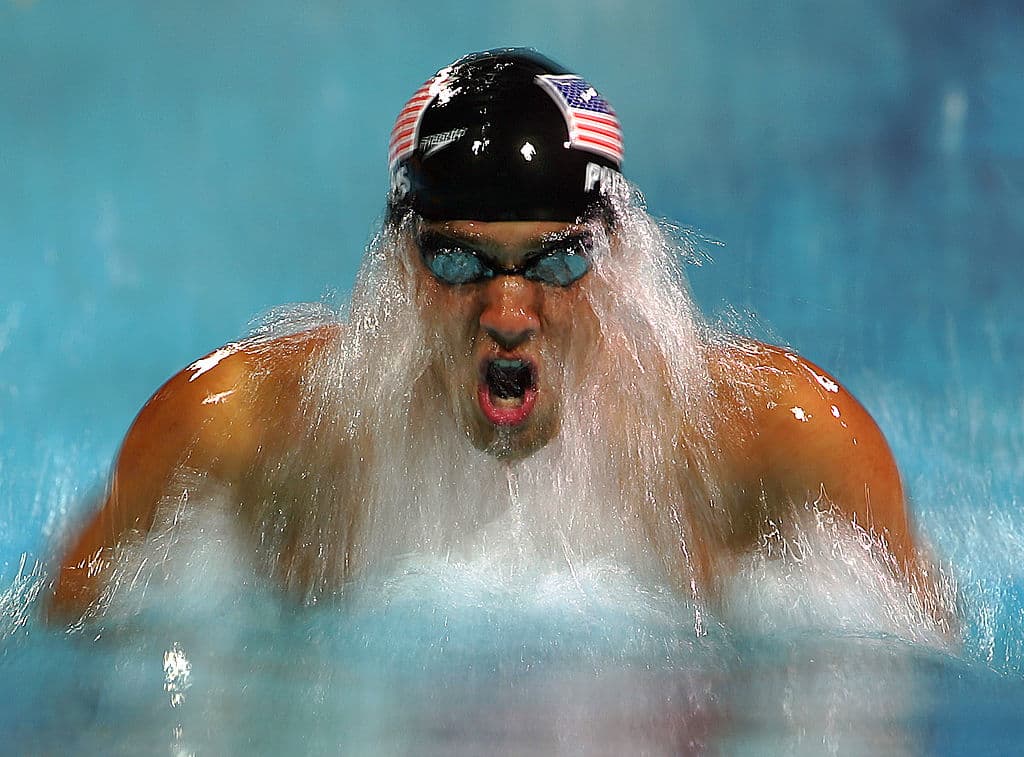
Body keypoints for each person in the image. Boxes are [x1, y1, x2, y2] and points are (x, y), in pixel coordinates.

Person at [48, 49, 948, 628]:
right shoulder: (235, 436)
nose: (510, 312)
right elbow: (65, 679)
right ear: (397, 269)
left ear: (622, 265)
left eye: (555, 263)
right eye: (458, 262)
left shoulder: (783, 449)